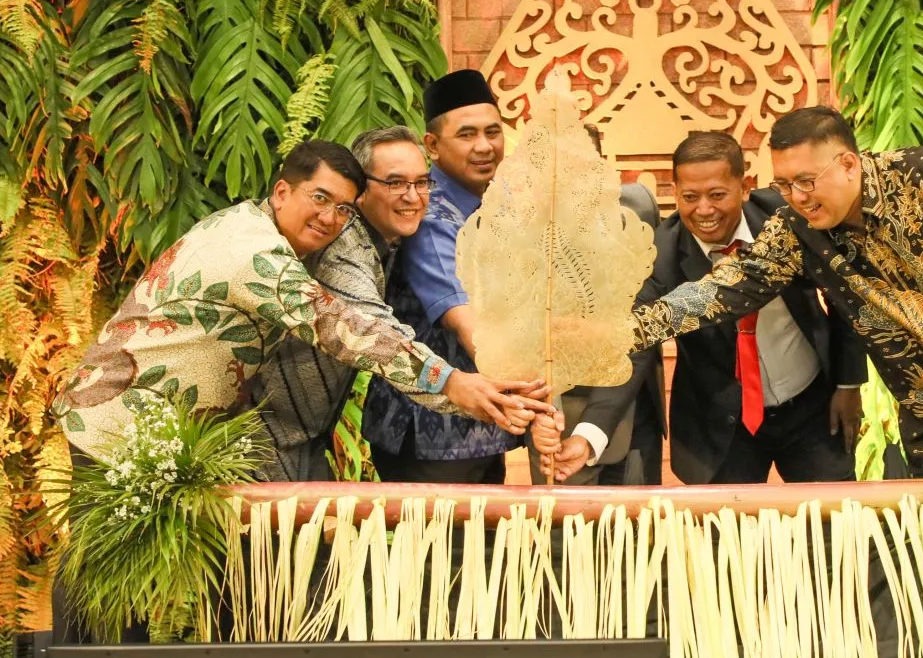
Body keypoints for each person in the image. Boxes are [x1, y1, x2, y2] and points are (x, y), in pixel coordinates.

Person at [625, 107, 923, 478]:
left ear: (848, 164)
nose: (797, 197)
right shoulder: (796, 229)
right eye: (784, 185)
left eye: (807, 182)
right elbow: (724, 289)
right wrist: (620, 333)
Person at [52, 140, 551, 467]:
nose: (330, 218)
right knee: (98, 581)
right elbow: (342, 328)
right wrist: (453, 383)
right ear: (282, 191)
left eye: (343, 209)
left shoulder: (254, 225)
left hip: (161, 433)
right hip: (117, 424)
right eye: (319, 198)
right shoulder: (255, 255)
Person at [541, 131, 867, 485]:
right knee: (724, 522)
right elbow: (635, 345)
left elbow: (844, 292)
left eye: (717, 195)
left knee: (835, 516)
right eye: (690, 197)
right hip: (720, 425)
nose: (704, 210)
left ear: (744, 186)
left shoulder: (786, 216)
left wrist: (849, 382)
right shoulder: (655, 255)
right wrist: (588, 435)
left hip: (811, 407)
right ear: (674, 192)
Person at [246, 126, 519, 481]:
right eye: (395, 183)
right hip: (262, 437)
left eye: (421, 183)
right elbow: (374, 332)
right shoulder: (342, 248)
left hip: (306, 435)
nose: (413, 196)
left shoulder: (396, 236)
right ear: (361, 192)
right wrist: (454, 383)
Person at [362, 70, 524, 483]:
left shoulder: (493, 205)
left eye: (492, 132)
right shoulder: (432, 215)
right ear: (432, 145)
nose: (484, 146)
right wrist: (536, 401)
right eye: (467, 135)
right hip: (430, 436)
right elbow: (466, 322)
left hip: (481, 426)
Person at [526, 123, 666, 486]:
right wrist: (544, 418)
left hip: (636, 408)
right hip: (562, 422)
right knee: (568, 522)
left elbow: (642, 323)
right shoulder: (516, 235)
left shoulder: (638, 209)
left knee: (643, 518)